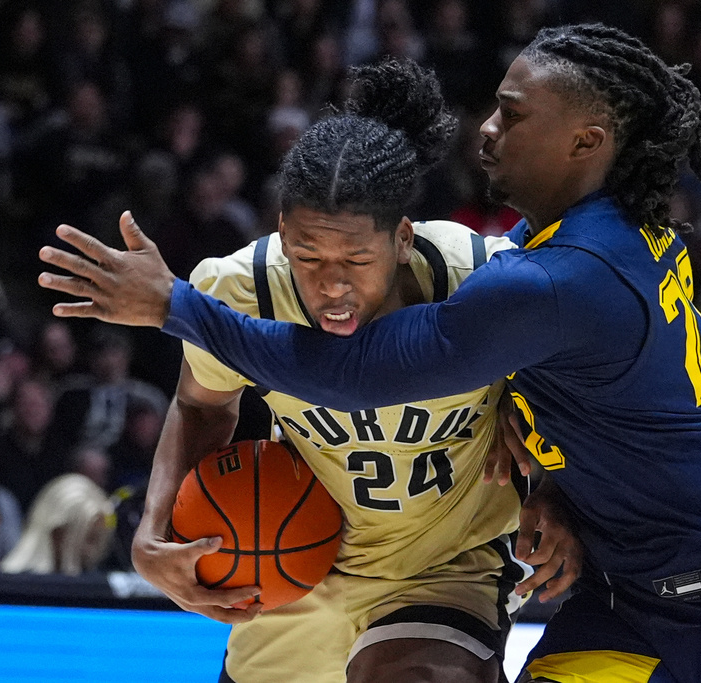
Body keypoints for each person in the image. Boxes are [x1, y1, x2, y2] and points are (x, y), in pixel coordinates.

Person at [38, 24, 701, 682]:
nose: (487, 129)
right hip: (620, 589)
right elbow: (203, 403)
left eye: (513, 113)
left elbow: (355, 373)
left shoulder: (524, 278)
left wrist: (174, 305)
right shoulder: (558, 242)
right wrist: (546, 471)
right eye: (307, 256)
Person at [43, 59, 580, 683]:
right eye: (308, 255)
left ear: (402, 237)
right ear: (281, 233)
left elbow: (581, 388)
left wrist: (557, 484)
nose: (331, 284)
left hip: (446, 565)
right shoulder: (240, 286)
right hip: (298, 561)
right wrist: (152, 533)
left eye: (356, 258)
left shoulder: (480, 276)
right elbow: (202, 406)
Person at [0, 473, 114, 576]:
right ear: (58, 534)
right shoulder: (11, 586)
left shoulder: (96, 585)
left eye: (100, 540)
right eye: (90, 539)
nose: (94, 551)